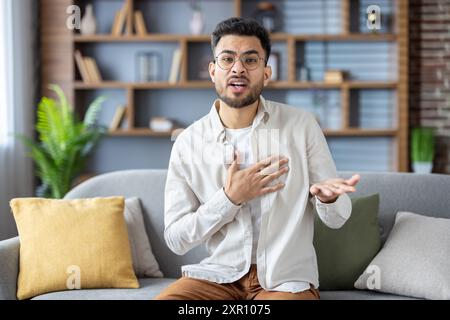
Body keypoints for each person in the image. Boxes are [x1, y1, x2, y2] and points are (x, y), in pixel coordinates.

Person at [155, 17, 360, 300]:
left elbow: (337, 219)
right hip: (217, 278)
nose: (238, 68)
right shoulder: (187, 142)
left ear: (266, 73)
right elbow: (176, 239)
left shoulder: (302, 126)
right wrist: (229, 198)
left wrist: (328, 199)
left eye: (250, 60)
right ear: (213, 71)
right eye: (227, 59)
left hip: (284, 281)